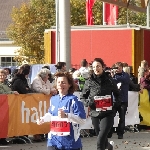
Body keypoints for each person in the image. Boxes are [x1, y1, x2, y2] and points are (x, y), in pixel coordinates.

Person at [37, 72, 86, 150]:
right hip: (53, 141)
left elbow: (82, 120)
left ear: (69, 85)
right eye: (59, 82)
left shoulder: (74, 100)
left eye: (63, 83)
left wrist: (67, 116)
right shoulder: (53, 99)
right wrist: (43, 119)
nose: (60, 84)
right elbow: (51, 114)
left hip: (70, 143)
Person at [80, 58, 121, 150]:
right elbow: (82, 97)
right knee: (101, 137)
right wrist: (88, 103)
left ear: (103, 67)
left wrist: (114, 104)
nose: (96, 68)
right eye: (94, 67)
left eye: (98, 66)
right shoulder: (89, 81)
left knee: (100, 139)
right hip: (95, 112)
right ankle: (109, 146)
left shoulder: (110, 80)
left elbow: (118, 95)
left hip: (108, 113)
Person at [0, 69, 19, 145]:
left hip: (6, 106)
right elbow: (2, 93)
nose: (2, 76)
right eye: (0, 75)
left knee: (5, 122)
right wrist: (12, 92)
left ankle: (3, 138)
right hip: (1, 106)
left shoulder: (7, 83)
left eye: (3, 75)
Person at [112, 62, 130, 139]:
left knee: (122, 118)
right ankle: (109, 132)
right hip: (114, 100)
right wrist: (112, 76)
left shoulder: (125, 75)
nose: (118, 69)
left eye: (119, 67)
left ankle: (120, 133)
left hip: (123, 100)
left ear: (122, 68)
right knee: (110, 117)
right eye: (116, 68)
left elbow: (124, 79)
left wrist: (113, 77)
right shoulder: (113, 75)